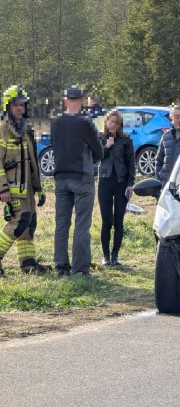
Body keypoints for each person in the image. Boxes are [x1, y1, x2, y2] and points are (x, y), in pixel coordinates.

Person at [51, 85, 103, 277]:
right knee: (82, 224)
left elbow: (54, 146)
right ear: (80, 101)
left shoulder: (55, 122)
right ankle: (80, 269)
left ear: (65, 100)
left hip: (61, 177)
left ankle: (61, 267)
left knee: (62, 223)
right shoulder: (85, 123)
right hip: (82, 177)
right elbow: (99, 151)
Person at [0, 85, 49, 275]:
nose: (20, 109)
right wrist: (3, 189)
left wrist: (38, 188)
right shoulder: (3, 129)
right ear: (8, 106)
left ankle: (28, 264)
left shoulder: (25, 129)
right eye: (16, 105)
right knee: (19, 222)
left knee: (29, 223)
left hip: (27, 187)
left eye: (22, 105)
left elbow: (32, 160)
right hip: (12, 187)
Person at [98, 110, 136, 266]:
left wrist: (130, 184)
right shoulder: (100, 139)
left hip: (121, 183)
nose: (113, 124)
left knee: (119, 219)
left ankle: (115, 255)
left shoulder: (126, 140)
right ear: (106, 122)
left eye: (116, 122)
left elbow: (131, 163)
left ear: (120, 125)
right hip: (105, 182)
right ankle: (106, 256)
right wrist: (106, 146)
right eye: (110, 121)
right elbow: (96, 158)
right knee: (107, 220)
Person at [156, 104, 180, 187]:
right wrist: (160, 180)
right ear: (172, 118)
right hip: (166, 185)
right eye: (176, 117)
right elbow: (159, 160)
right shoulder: (166, 136)